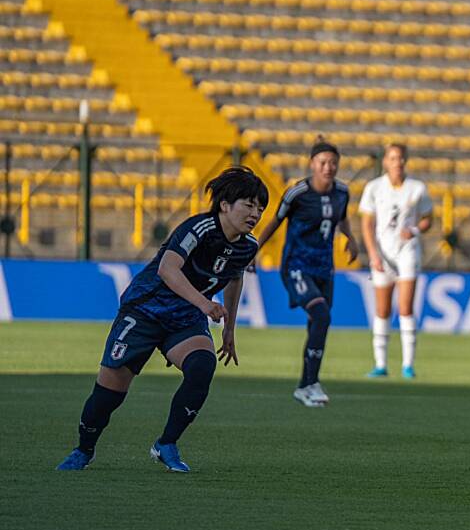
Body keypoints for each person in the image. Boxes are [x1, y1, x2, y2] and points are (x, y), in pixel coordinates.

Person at [56, 167, 267, 472]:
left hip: (184, 317)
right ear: (225, 205)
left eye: (260, 208)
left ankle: (166, 443)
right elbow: (167, 269)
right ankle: (84, 450)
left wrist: (230, 329)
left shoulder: (249, 246)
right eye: (248, 205)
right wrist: (206, 304)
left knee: (201, 367)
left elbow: (235, 278)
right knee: (109, 396)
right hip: (145, 310)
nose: (255, 213)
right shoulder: (198, 229)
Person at [259, 139, 358, 407]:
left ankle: (305, 385)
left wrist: (351, 238)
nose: (329, 167)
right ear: (312, 164)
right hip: (296, 266)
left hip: (325, 268)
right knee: (321, 314)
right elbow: (275, 222)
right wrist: (253, 250)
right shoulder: (297, 193)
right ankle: (311, 383)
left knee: (318, 323)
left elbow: (342, 217)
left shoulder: (342, 192)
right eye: (323, 162)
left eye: (333, 162)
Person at [359, 143, 433, 379]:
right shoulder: (374, 188)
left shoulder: (417, 188)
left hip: (407, 252)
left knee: (405, 308)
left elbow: (428, 219)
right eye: (392, 158)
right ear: (385, 162)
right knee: (381, 310)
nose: (397, 163)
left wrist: (415, 229)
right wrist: (372, 253)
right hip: (382, 253)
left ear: (405, 161)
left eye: (400, 158)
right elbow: (367, 224)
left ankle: (407, 365)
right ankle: (380, 364)